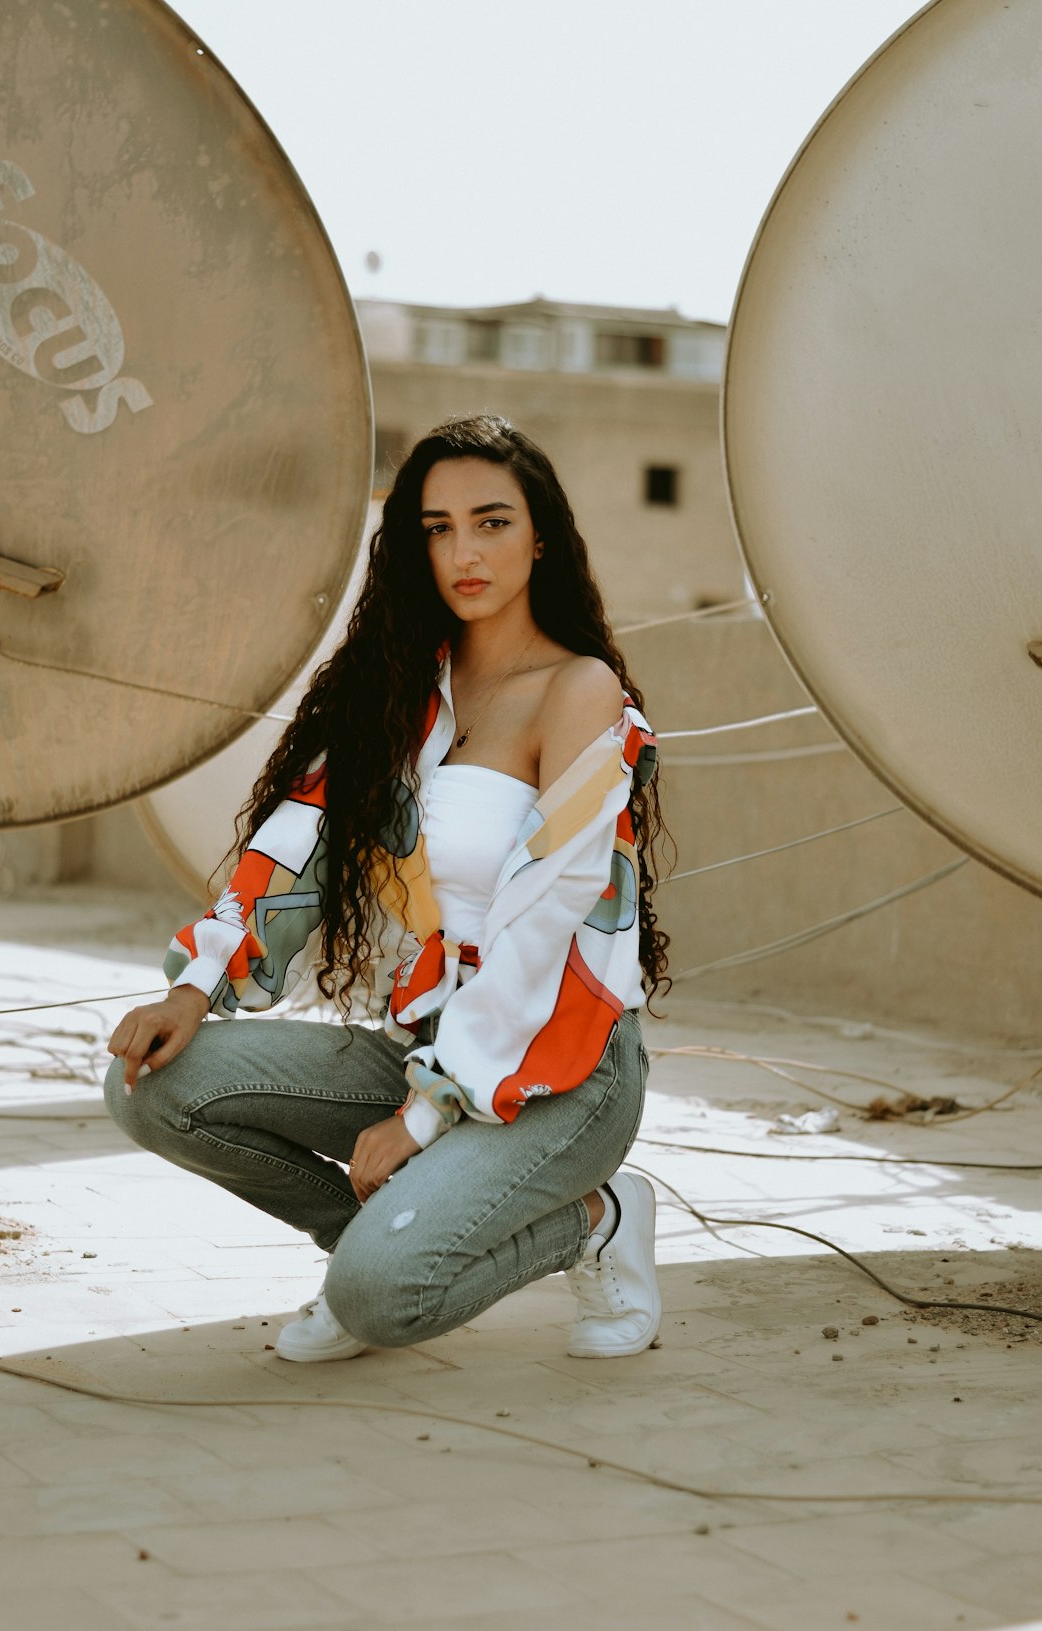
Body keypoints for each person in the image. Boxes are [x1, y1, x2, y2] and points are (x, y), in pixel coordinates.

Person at [105, 414, 670, 1363]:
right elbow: (293, 848)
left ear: (541, 536)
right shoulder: (397, 691)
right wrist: (193, 986)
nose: (464, 551)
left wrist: (422, 1117)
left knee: (382, 1303)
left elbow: (547, 928)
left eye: (491, 521)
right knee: (151, 1089)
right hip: (430, 1044)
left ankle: (597, 1217)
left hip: (564, 1064)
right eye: (436, 527)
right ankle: (372, 1243)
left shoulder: (581, 691)